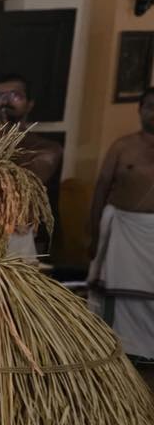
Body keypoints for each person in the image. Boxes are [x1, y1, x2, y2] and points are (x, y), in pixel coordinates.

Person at [87, 86, 154, 360]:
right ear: (140, 109)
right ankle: (114, 348)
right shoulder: (122, 146)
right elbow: (101, 188)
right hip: (122, 231)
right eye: (150, 105)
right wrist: (91, 233)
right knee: (116, 294)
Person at [0, 72, 63, 253]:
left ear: (29, 104)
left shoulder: (45, 148)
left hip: (22, 234)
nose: (5, 101)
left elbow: (22, 183)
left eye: (15, 95)